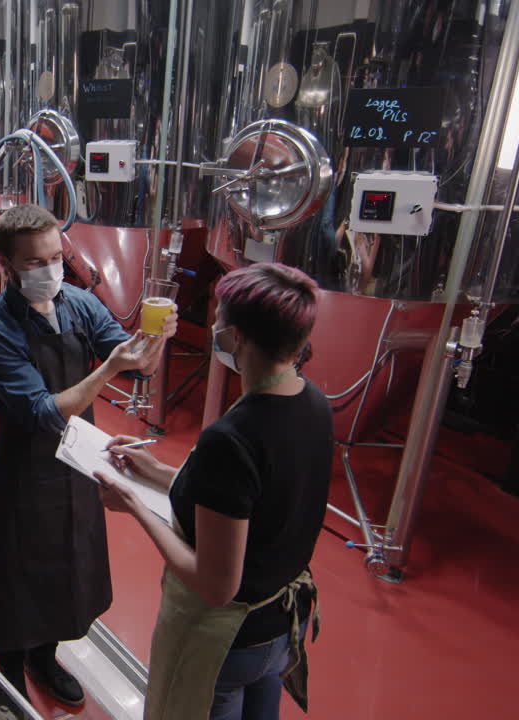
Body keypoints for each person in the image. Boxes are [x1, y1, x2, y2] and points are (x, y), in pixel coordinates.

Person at [95, 262, 332, 720]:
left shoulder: (232, 436)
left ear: (238, 337)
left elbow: (216, 584)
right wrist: (156, 472)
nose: (214, 328)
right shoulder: (312, 402)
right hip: (278, 633)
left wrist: (134, 504)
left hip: (228, 643)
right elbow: (242, 496)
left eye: (218, 318)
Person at [0, 204, 178, 705]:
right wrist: (109, 368)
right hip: (24, 475)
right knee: (18, 581)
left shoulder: (79, 304)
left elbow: (133, 365)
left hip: (76, 466)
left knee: (67, 570)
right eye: (34, 263)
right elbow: (45, 413)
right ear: (6, 264)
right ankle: (11, 678)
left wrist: (152, 343)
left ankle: (45, 658)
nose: (49, 270)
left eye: (54, 257)